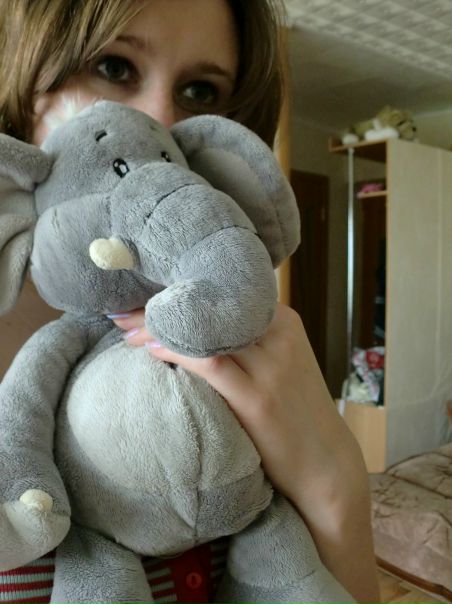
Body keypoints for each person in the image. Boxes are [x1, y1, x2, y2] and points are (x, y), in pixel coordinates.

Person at [0, 0, 381, 602]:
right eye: (114, 67)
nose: (158, 120)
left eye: (200, 91)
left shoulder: (242, 339)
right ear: (23, 83)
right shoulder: (40, 366)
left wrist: (333, 484)